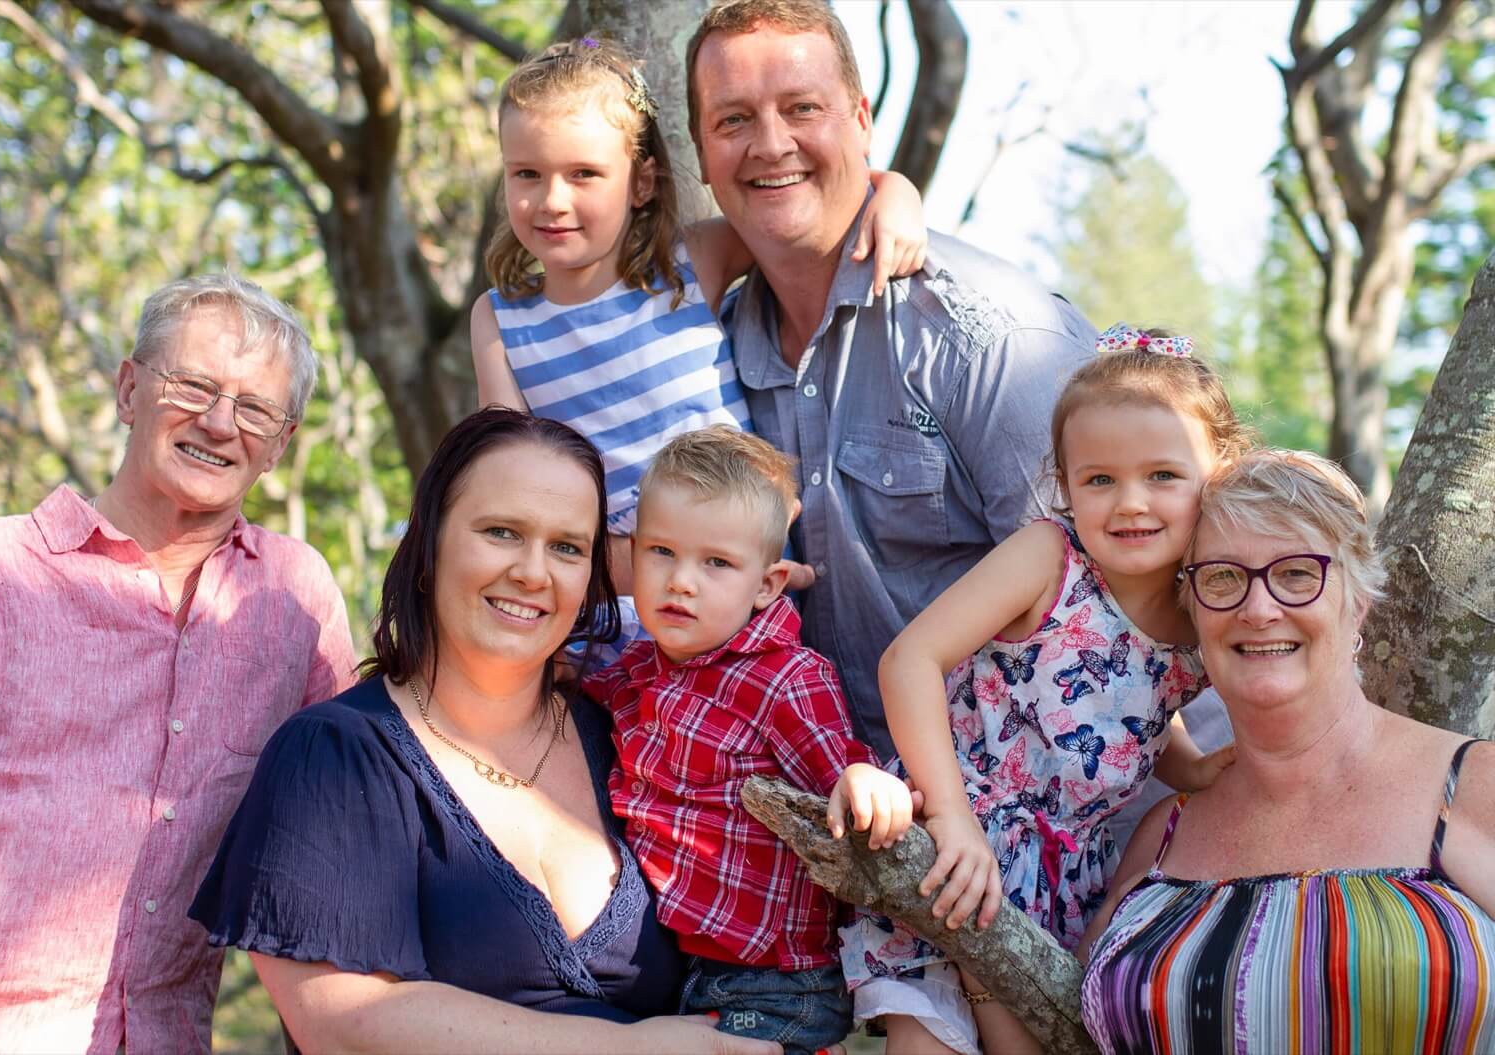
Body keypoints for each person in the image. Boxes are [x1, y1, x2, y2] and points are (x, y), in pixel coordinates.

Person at [190, 408, 779, 1055]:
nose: (533, 572)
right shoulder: (334, 756)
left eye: (567, 547)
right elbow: (341, 1026)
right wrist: (636, 1049)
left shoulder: (632, 737)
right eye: (502, 532)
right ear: (430, 542)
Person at [0, 274, 356, 1052]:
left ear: (281, 444)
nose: (219, 422)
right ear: (128, 389)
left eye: (254, 409)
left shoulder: (293, 598)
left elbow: (346, 832)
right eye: (193, 386)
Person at [684, 0, 1099, 759]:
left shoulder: (992, 340)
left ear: (861, 120)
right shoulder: (703, 352)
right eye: (733, 119)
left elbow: (1104, 610)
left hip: (1037, 799)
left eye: (802, 108)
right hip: (824, 802)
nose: (770, 144)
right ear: (701, 152)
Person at [838, 326, 1247, 1054]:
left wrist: (1191, 766)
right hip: (961, 838)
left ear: (1220, 473)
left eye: (1162, 475)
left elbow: (1131, 712)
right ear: (1064, 483)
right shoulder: (1050, 558)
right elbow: (910, 660)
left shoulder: (1202, 609)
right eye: (1099, 480)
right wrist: (953, 817)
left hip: (1063, 880)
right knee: (926, 1042)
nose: (1130, 503)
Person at [471, 36, 926, 603]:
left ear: (641, 182)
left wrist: (896, 191)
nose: (552, 201)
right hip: (616, 611)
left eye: (583, 173)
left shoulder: (689, 265)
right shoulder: (500, 319)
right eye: (526, 174)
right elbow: (511, 476)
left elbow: (807, 209)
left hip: (745, 597)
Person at [1079, 449, 1495, 1054]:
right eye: (1222, 577)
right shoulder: (1163, 837)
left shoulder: (1474, 787)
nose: (1258, 609)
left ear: (1358, 600)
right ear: (1191, 611)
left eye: (1298, 573)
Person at [581, 425, 908, 1054]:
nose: (681, 581)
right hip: (679, 964)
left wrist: (864, 779)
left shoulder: (784, 680)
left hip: (772, 981)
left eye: (717, 563)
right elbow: (578, 705)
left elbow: (840, 770)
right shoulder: (640, 669)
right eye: (661, 552)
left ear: (766, 585)